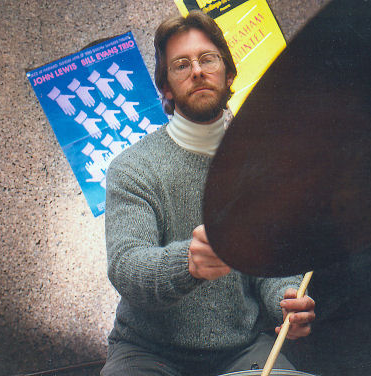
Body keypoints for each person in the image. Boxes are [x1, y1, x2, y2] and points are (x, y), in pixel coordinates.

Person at [101, 10, 316, 376]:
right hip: (148, 352)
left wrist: (285, 300)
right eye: (181, 65)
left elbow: (271, 265)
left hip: (242, 347)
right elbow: (126, 267)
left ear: (229, 73)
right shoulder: (132, 167)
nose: (197, 71)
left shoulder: (263, 163)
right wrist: (187, 264)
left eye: (207, 59)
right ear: (166, 88)